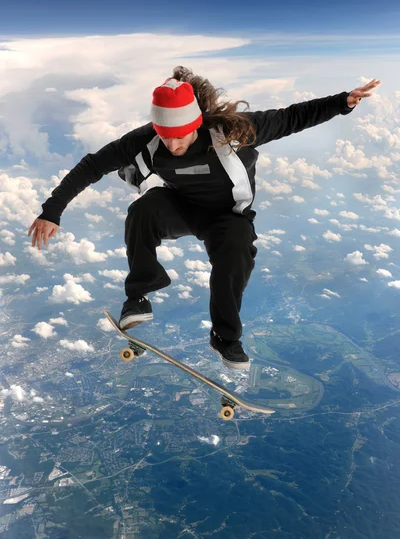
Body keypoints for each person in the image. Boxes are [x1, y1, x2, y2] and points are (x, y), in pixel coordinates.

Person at [28, 68, 381, 370]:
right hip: (181, 207)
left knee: (236, 251)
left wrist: (341, 102)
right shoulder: (148, 139)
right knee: (143, 209)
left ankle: (225, 337)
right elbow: (92, 165)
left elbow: (291, 117)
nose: (172, 144)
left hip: (227, 217)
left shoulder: (235, 130)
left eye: (180, 136)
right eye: (164, 137)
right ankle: (138, 296)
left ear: (196, 124)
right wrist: (52, 210)